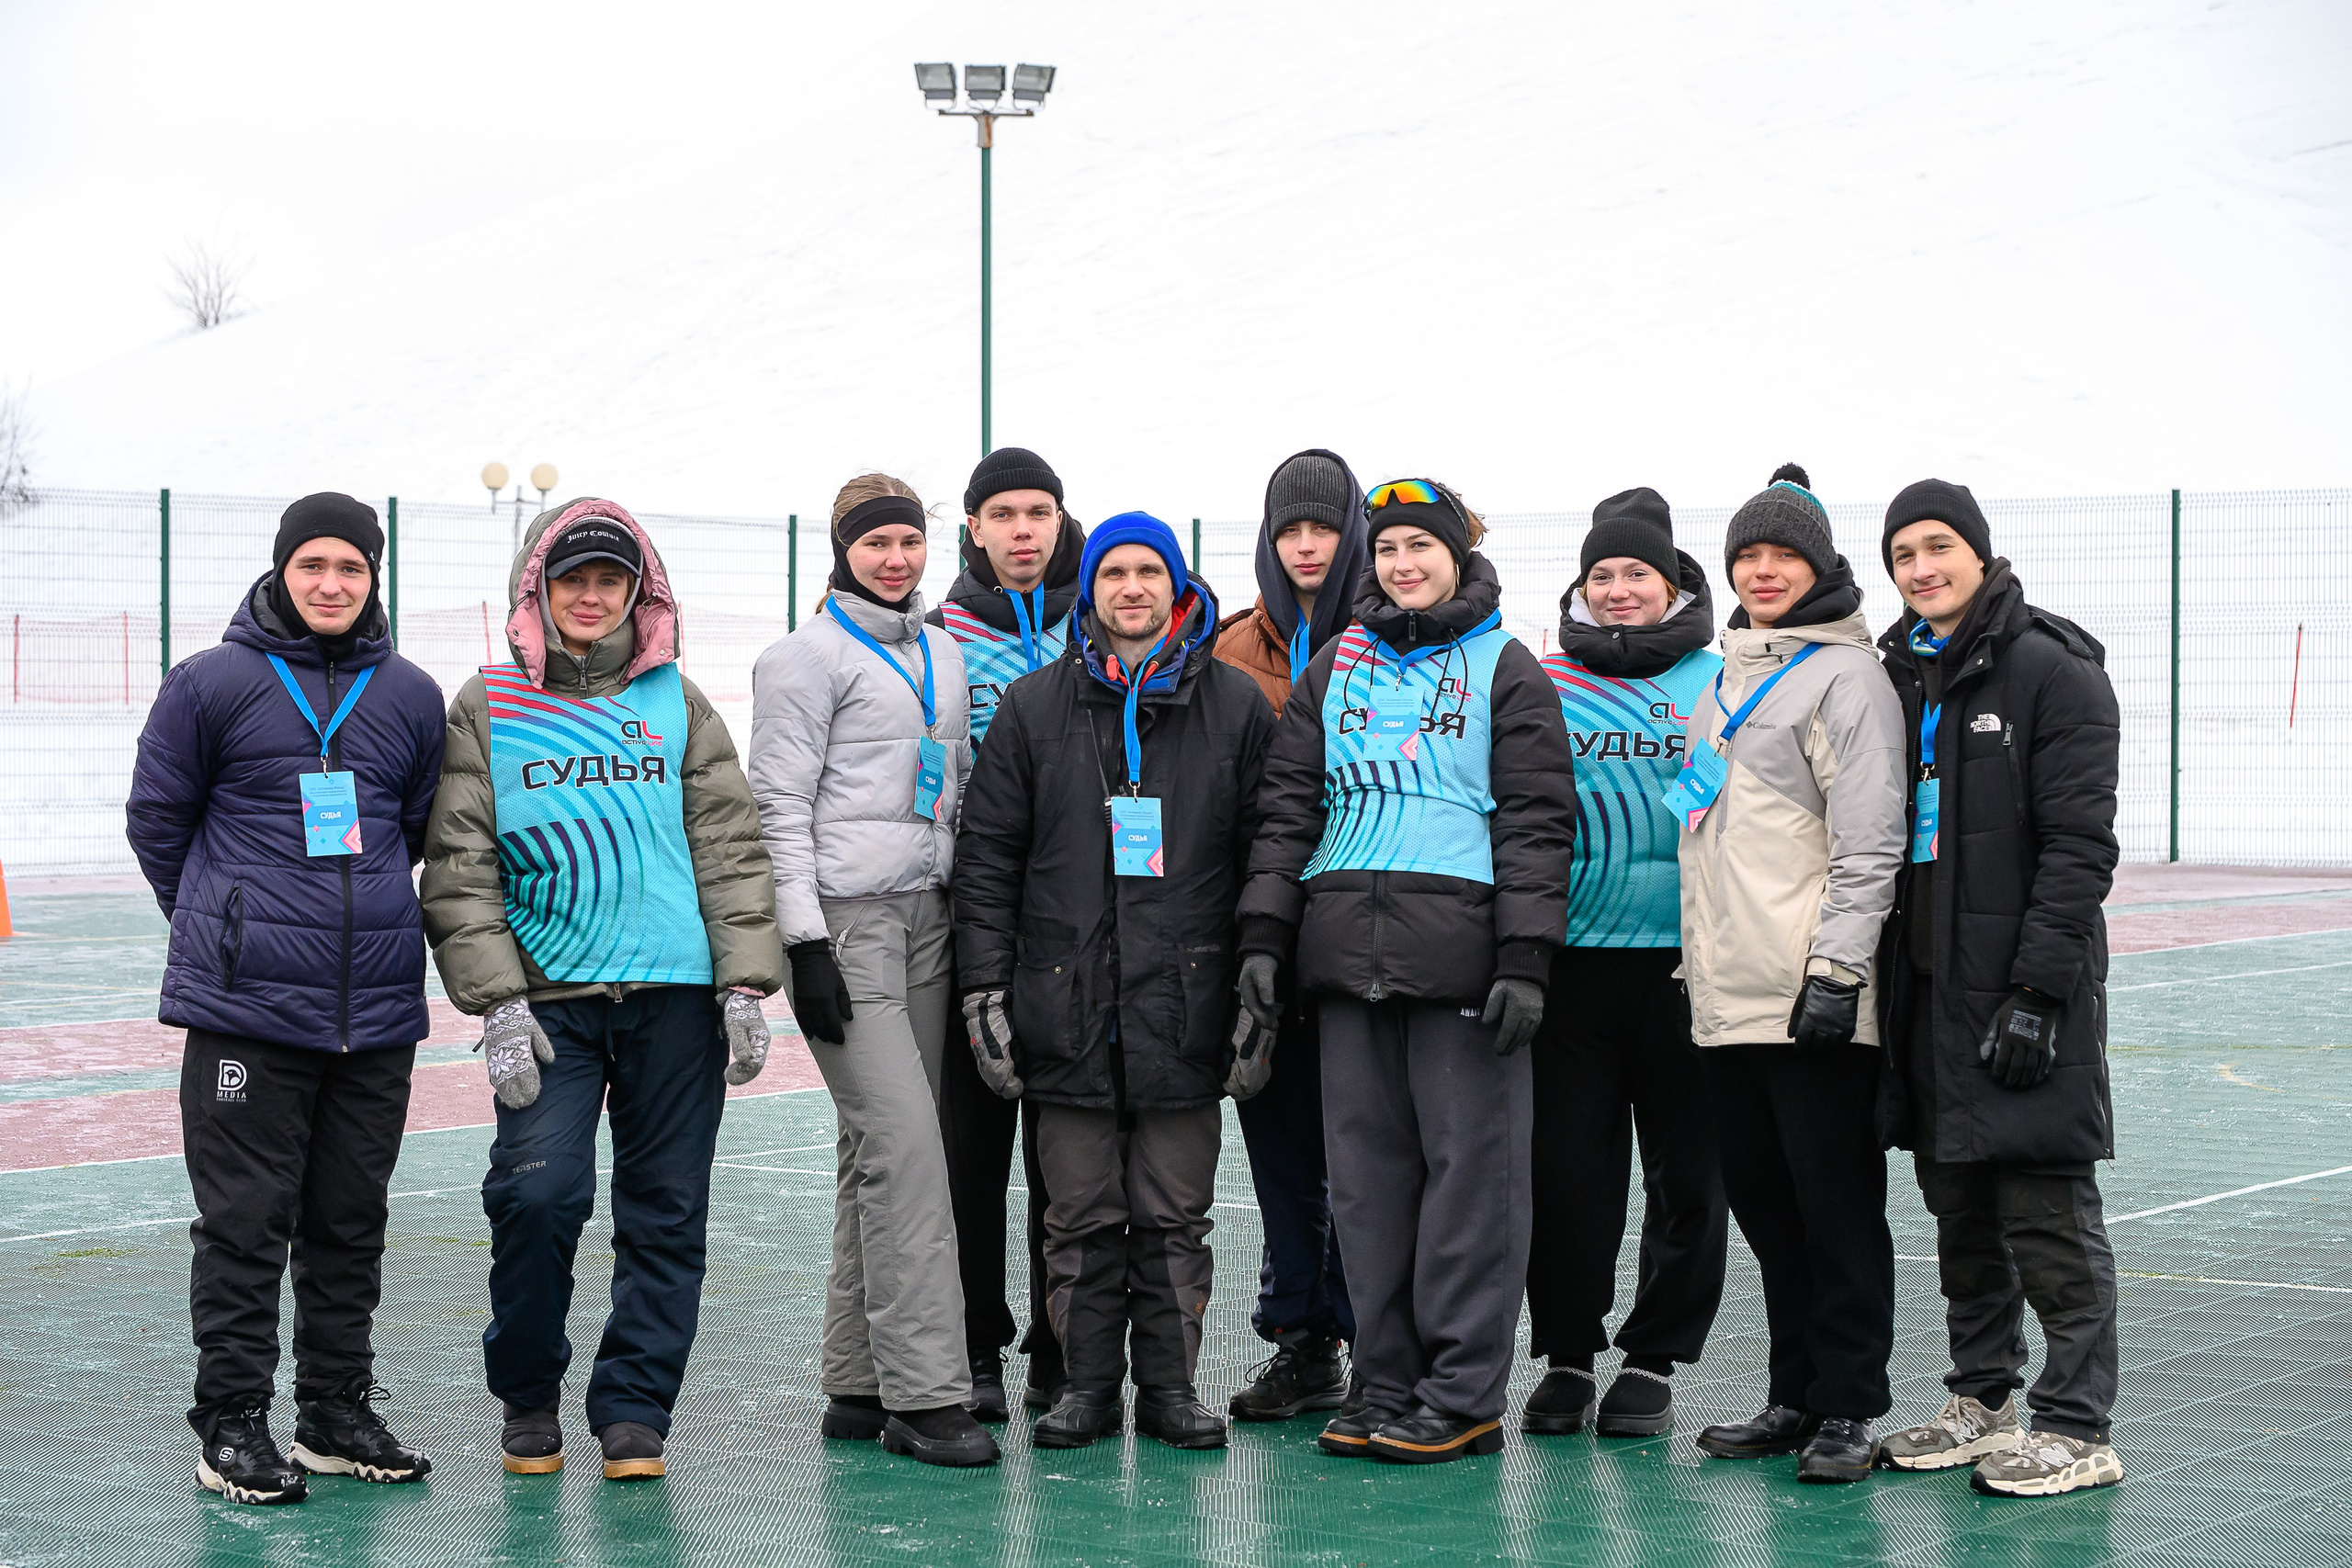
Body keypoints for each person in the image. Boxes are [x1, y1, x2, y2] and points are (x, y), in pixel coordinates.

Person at [421, 499, 784, 1482]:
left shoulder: (677, 699)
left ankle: (634, 1412)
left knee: (666, 1211)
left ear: (639, 592)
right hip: (549, 1004)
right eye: (571, 580)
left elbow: (728, 847)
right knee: (538, 1195)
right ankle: (527, 1394)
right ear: (536, 591)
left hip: (674, 999)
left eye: (609, 581)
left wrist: (744, 982)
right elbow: (460, 862)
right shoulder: (489, 703)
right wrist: (496, 1002)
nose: (590, 597)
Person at [1238, 479, 1577, 1464]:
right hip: (1345, 961)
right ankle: (1383, 1381)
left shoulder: (1505, 666)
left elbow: (1536, 820)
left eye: (1418, 548)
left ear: (1456, 556)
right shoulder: (1336, 668)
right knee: (1367, 1189)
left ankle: (1463, 1392)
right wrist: (1266, 935)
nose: (1400, 565)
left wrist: (1524, 955)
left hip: (1461, 962)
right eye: (1385, 550)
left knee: (1471, 1186)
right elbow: (1289, 809)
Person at [128, 493, 447, 1506]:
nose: (331, 585)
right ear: (280, 571)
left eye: (351, 569)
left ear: (372, 579)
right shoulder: (210, 682)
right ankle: (230, 1421)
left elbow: (414, 825)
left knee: (351, 1217)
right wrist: (226, 925)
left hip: (376, 1009)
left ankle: (333, 1411)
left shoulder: (408, 694)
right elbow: (158, 821)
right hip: (248, 1013)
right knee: (245, 1222)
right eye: (313, 565)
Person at [952, 511, 1274, 1452]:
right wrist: (984, 990)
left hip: (1186, 1006)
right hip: (1066, 1004)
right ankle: (1086, 1388)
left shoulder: (1235, 708)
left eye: (1147, 574)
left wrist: (1261, 983)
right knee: (1081, 1216)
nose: (1129, 590)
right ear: (1087, 591)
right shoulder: (1031, 708)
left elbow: (1267, 853)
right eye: (1111, 575)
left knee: (1174, 1215)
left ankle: (1169, 1391)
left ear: (1175, 589)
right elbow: (987, 863)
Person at [1870, 479, 2126, 1498]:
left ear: (1979, 553)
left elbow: (2079, 847)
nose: (1921, 568)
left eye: (1938, 547)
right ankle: (1983, 1400)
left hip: (2021, 995)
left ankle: (2077, 1423)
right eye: (1903, 555)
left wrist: (2037, 990)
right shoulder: (1900, 677)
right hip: (1926, 993)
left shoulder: (2050, 674)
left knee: (2045, 1208)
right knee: (1959, 1209)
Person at [749, 474, 998, 1468]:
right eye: (873, 544)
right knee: (908, 1151)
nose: (894, 559)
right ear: (841, 551)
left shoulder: (941, 649)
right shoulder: (802, 659)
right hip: (847, 927)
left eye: (907, 541)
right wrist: (803, 943)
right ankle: (927, 1395)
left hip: (927, 913)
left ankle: (856, 1380)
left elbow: (956, 784)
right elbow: (778, 806)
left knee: (877, 1154)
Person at [1676, 466, 1906, 1484]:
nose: (1763, 570)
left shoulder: (1846, 678)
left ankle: (1851, 1406)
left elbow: (1868, 843)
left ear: (1818, 566)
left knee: (1835, 1207)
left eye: (1783, 555)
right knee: (1767, 1209)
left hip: (1810, 993)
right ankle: (1794, 1393)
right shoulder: (1726, 671)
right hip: (1727, 993)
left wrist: (1836, 971)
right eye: (1749, 555)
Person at [1522, 488, 1729, 1439]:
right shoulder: (1546, 684)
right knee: (1568, 1176)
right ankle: (1567, 1353)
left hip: (1688, 971)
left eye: (1634, 573)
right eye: (1599, 574)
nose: (1615, 589)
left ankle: (1652, 1359)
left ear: (1672, 583)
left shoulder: (1717, 681)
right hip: (1576, 967)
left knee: (1688, 1175)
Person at [927, 446, 1085, 1421]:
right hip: (966, 922)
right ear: (975, 530)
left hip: (1076, 931)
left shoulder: (1098, 619)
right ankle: (975, 1346)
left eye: (1039, 512)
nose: (1023, 531)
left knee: (1065, 1158)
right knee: (968, 1154)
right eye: (1004, 515)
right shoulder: (938, 639)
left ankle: (1060, 1349)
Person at [1212, 449, 1368, 1422]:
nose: (1306, 547)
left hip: (1357, 930)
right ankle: (1299, 1339)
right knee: (1276, 1142)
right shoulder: (1231, 650)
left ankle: (1367, 1333)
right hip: (1255, 935)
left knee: (1362, 1146)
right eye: (1289, 531)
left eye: (1321, 529)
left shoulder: (1389, 637)